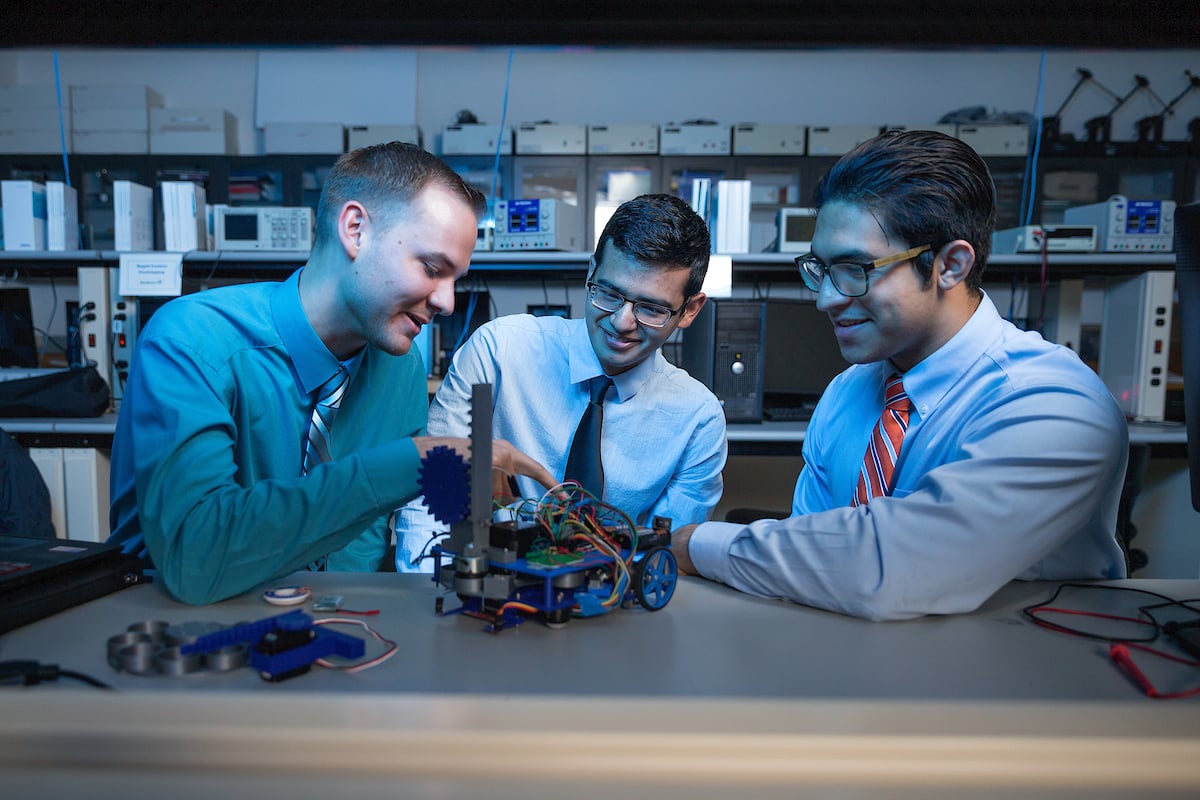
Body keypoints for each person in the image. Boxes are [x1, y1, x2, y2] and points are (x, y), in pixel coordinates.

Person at [671, 129, 1129, 621]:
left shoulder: (1052, 403)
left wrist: (695, 544)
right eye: (819, 269)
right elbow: (809, 561)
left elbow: (886, 567)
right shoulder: (848, 392)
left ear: (950, 265)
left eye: (855, 269)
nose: (825, 299)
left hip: (1015, 684)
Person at [108, 142, 555, 605]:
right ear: (355, 229)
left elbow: (365, 543)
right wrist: (417, 460)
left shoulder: (399, 368)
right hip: (174, 634)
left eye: (455, 279)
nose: (447, 302)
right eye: (431, 268)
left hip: (336, 633)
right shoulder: (190, 342)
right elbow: (195, 561)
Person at [397, 193, 726, 570]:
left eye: (651, 308)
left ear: (690, 310)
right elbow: (435, 497)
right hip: (485, 597)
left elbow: (661, 556)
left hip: (608, 607)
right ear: (590, 274)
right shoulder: (500, 353)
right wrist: (433, 595)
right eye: (609, 293)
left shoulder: (698, 419)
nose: (621, 322)